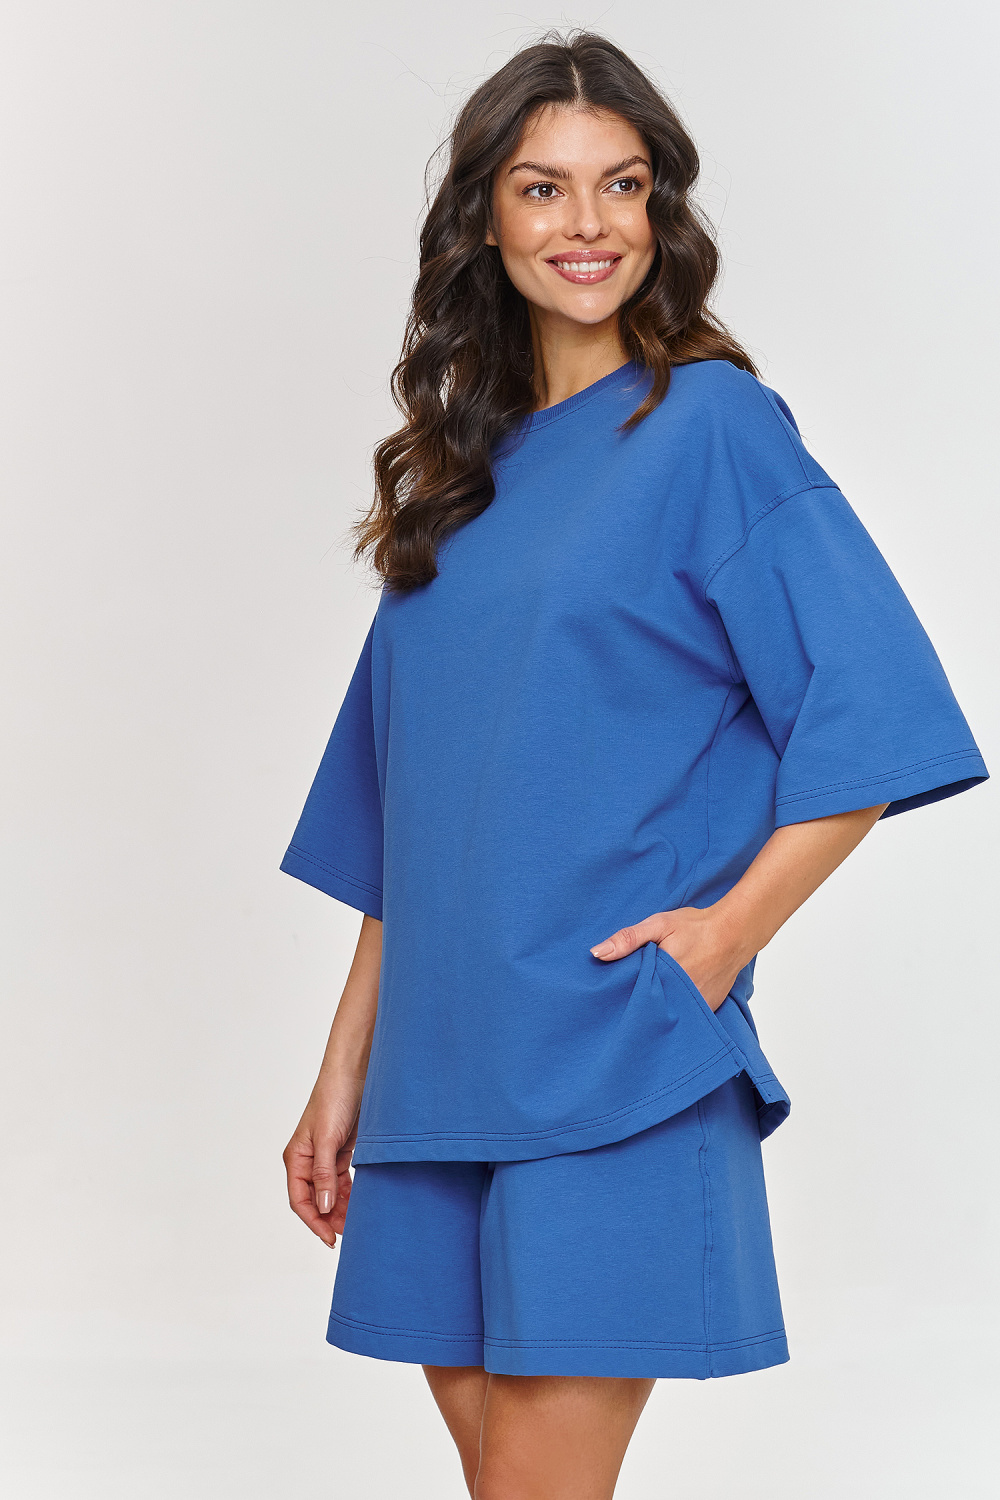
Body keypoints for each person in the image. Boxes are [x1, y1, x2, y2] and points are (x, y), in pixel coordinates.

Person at [278, 31, 988, 1500]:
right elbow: (409, 821)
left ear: (661, 208)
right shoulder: (456, 485)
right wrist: (340, 1071)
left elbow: (869, 708)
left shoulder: (712, 426)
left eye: (624, 183)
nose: (587, 223)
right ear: (485, 217)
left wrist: (722, 939)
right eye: (544, 187)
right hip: (437, 1068)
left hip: (613, 1048)